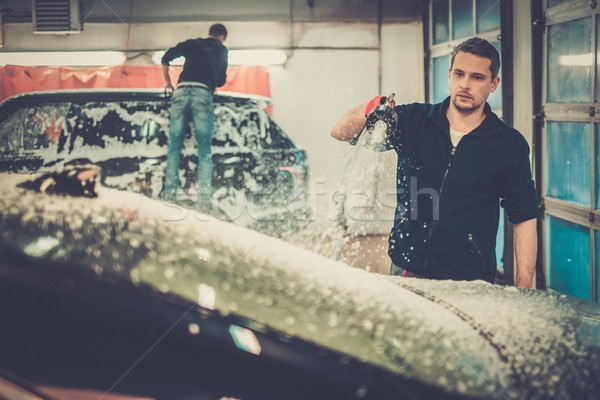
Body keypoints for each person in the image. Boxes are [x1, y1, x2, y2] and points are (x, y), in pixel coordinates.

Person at [330, 37, 539, 288]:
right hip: (407, 269)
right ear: (449, 74)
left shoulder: (509, 145)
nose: (464, 84)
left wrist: (525, 286)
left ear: (494, 84)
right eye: (459, 74)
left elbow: (524, 216)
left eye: (477, 77)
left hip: (471, 279)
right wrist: (369, 108)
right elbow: (340, 131)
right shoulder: (413, 121)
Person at [161, 23, 229, 207]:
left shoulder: (193, 43)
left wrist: (168, 82)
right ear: (222, 37)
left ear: (209, 34)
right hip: (202, 93)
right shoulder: (222, 50)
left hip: (180, 92)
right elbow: (221, 80)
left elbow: (166, 58)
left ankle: (169, 196)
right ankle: (203, 199)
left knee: (174, 146)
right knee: (204, 150)